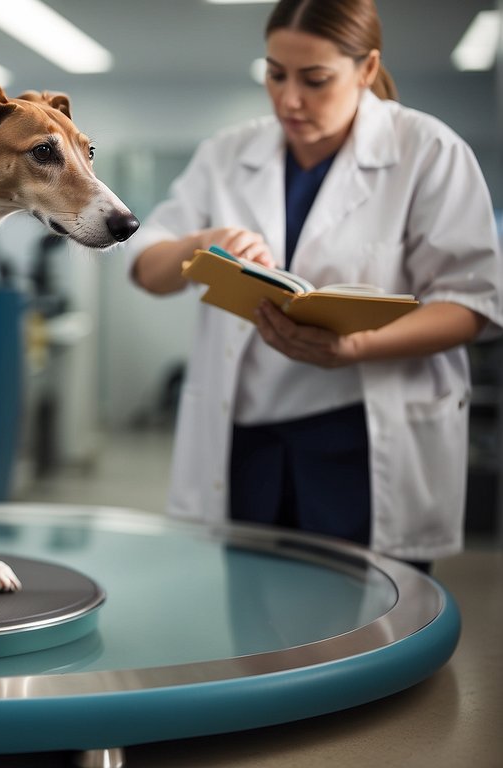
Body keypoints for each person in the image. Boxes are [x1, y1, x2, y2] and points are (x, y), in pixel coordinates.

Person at [127, 0, 502, 570]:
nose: (289, 99)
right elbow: (147, 269)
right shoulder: (227, 154)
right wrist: (200, 242)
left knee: (373, 627)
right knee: (260, 633)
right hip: (247, 445)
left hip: (361, 438)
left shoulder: (428, 152)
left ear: (367, 69)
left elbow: (473, 303)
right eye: (275, 75)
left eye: (315, 79)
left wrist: (358, 346)